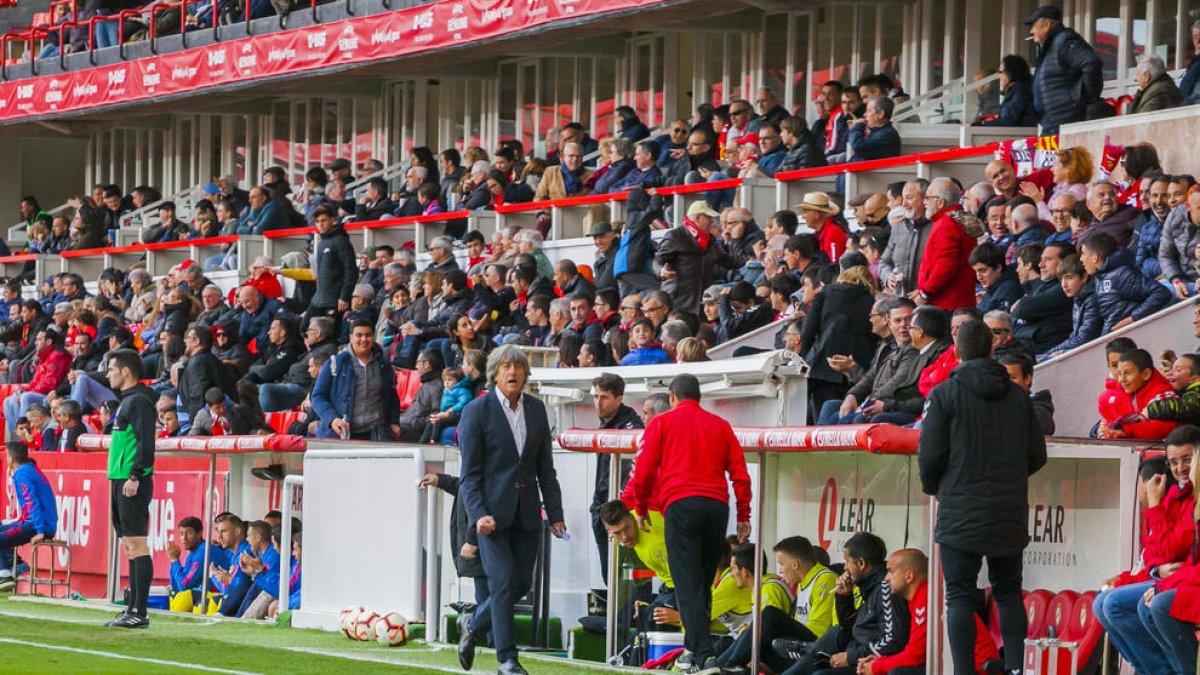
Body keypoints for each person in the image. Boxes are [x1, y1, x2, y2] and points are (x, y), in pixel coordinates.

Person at [918, 319, 1047, 674]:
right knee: (1008, 591)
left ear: (957, 351)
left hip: (960, 508)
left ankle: (962, 671)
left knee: (959, 594)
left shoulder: (944, 394)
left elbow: (929, 456)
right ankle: (1018, 668)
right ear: (992, 350)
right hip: (1008, 510)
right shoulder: (1020, 397)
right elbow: (1037, 455)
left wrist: (939, 488)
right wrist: (1009, 482)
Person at [631, 373, 752, 671]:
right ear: (699, 397)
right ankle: (692, 650)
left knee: (687, 584)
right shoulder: (721, 425)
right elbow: (740, 472)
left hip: (681, 505)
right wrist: (743, 515)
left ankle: (704, 653)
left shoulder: (661, 423)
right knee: (701, 582)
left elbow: (643, 469)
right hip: (716, 507)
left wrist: (641, 506)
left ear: (672, 398)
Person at [457, 345, 566, 675]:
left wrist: (556, 513)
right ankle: (507, 658)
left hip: (527, 514)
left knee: (519, 585)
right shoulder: (477, 411)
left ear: (525, 374)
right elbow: (469, 476)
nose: (512, 372)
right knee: (502, 583)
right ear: (494, 373)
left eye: (518, 366)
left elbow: (545, 468)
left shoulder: (536, 409)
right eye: (505, 366)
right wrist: (478, 516)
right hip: (490, 516)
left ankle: (473, 624)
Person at [1092, 426, 1199, 675]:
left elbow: (1172, 548)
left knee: (1120, 604)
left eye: (1187, 459)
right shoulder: (1174, 494)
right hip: (1170, 577)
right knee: (1102, 602)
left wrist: (1154, 505)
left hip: (1184, 581)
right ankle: (1151, 669)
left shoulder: (1191, 499)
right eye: (1174, 462)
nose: (1180, 468)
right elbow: (1155, 555)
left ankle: (1163, 670)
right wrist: (1154, 571)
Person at [778, 532, 906, 675]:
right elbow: (849, 627)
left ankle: (807, 649)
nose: (845, 568)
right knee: (836, 633)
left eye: (847, 561)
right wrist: (844, 596)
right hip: (856, 651)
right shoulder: (869, 586)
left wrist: (850, 657)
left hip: (871, 661)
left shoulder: (884, 588)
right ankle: (807, 649)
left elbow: (893, 640)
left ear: (861, 563)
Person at [710, 536, 838, 675]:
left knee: (769, 615)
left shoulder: (825, 579)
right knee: (752, 643)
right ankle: (719, 668)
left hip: (815, 650)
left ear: (795, 564)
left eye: (781, 564)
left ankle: (724, 666)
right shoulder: (801, 583)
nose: (780, 570)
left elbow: (818, 633)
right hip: (796, 648)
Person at [859, 549, 1000, 674]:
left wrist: (878, 666)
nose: (886, 578)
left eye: (891, 571)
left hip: (978, 670)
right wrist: (882, 660)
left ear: (909, 576)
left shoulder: (927, 597)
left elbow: (915, 656)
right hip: (954, 665)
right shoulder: (920, 595)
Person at [104, 349, 159, 629]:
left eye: (112, 369)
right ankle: (132, 608)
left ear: (126, 372)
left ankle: (139, 611)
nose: (108, 374)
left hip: (131, 480)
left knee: (136, 544)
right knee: (129, 545)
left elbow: (145, 442)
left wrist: (135, 475)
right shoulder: (128, 402)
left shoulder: (138, 401)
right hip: (120, 478)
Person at [588, 373, 643, 583]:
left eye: (604, 397)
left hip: (622, 512)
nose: (598, 403)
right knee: (610, 578)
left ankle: (631, 616)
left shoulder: (631, 426)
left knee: (628, 580)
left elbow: (632, 472)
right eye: (596, 397)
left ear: (619, 399)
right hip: (602, 508)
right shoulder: (607, 422)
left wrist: (625, 508)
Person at [311, 320, 401, 441]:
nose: (364, 339)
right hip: (340, 435)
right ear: (351, 337)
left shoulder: (384, 366)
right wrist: (332, 418)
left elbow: (392, 396)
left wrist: (394, 422)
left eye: (368, 335)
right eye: (359, 335)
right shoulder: (335, 363)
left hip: (375, 435)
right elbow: (318, 396)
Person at [1027, 4, 1103, 134]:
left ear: (1046, 25)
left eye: (1033, 26)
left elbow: (1091, 62)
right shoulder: (1048, 47)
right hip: (1052, 121)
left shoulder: (1064, 41)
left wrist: (1088, 98)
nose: (1031, 31)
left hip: (1064, 121)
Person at [911, 179, 980, 311]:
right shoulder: (960, 219)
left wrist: (926, 293)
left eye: (928, 198)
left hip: (945, 304)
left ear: (941, 202)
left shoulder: (946, 223)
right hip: (959, 301)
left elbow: (946, 265)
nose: (924, 202)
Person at [1080, 232, 1171, 333]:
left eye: (1083, 253)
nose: (1081, 259)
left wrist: (1132, 319)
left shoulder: (1122, 275)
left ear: (1094, 258)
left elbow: (1160, 292)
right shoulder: (1099, 278)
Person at [0, 442, 57, 589]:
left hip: (36, 525)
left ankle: (4, 574)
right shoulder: (30, 468)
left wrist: (39, 531)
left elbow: (32, 502)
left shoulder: (22, 473)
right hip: (36, 522)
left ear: (11, 458)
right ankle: (16, 564)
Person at [1097, 348, 1179, 441]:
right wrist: (1106, 432)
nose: (1121, 379)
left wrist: (1127, 431)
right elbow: (1110, 424)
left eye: (1127, 373)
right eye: (1119, 374)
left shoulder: (1162, 392)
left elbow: (1168, 427)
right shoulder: (1120, 395)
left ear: (1146, 374)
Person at [309, 205, 359, 322]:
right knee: (304, 329)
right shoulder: (322, 242)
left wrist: (344, 296)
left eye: (323, 221)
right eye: (317, 222)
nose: (320, 225)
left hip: (335, 300)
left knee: (327, 333)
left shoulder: (341, 241)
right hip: (319, 297)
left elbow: (351, 270)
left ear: (332, 220)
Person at [981, 54, 1037, 127]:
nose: (999, 76)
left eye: (1000, 72)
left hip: (1020, 135)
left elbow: (1009, 120)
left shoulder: (1021, 89)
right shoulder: (1017, 88)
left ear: (1010, 72)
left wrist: (983, 124)